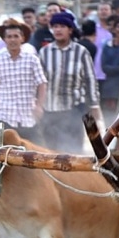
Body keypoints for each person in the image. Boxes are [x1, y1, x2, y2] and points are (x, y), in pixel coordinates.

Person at [38, 11, 100, 152]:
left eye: (62, 26)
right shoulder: (44, 52)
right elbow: (38, 81)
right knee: (51, 152)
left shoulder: (81, 52)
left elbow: (90, 80)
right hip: (50, 111)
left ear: (70, 29)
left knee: (73, 150)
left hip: (73, 110)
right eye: (55, 26)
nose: (58, 30)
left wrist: (94, 105)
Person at [0, 20, 47, 141]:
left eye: (16, 36)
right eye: (9, 37)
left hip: (28, 117)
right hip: (4, 117)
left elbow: (42, 84)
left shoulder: (32, 60)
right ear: (4, 40)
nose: (12, 40)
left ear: (22, 38)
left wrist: (39, 106)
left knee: (35, 156)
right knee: (2, 156)